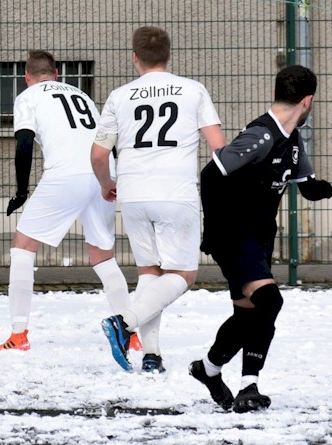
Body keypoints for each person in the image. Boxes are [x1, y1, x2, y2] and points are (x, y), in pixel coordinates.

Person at [190, 65, 332, 412]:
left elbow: (303, 182)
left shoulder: (292, 138)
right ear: (308, 101)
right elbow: (211, 175)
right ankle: (247, 385)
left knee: (248, 316)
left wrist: (320, 188)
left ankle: (210, 370)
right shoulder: (261, 135)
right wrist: (214, 230)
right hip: (234, 234)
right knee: (270, 302)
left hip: (258, 235)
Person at [91, 26, 226, 372]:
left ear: (134, 58)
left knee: (150, 272)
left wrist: (107, 184)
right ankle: (124, 321)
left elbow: (98, 154)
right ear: (169, 56)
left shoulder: (119, 96)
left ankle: (151, 356)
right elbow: (218, 146)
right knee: (184, 275)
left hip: (133, 193)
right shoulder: (193, 90)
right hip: (175, 192)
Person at [0, 50, 132, 352]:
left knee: (22, 247)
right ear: (57, 74)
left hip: (67, 174)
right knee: (103, 255)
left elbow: (24, 142)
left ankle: (18, 335)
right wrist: (114, 177)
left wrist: (21, 191)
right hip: (103, 172)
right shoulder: (81, 94)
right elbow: (108, 139)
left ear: (27, 77)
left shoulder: (28, 96)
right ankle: (131, 332)